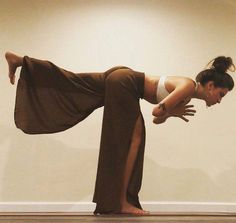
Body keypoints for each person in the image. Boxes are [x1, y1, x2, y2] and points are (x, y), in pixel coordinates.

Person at [5, 52, 235, 215]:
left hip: (122, 77)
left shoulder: (186, 92)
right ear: (211, 86)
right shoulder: (186, 86)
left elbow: (157, 118)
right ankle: (121, 202)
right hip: (127, 83)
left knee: (73, 82)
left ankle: (23, 62)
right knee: (133, 140)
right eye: (221, 94)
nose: (219, 100)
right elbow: (156, 110)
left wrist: (170, 113)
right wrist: (169, 111)